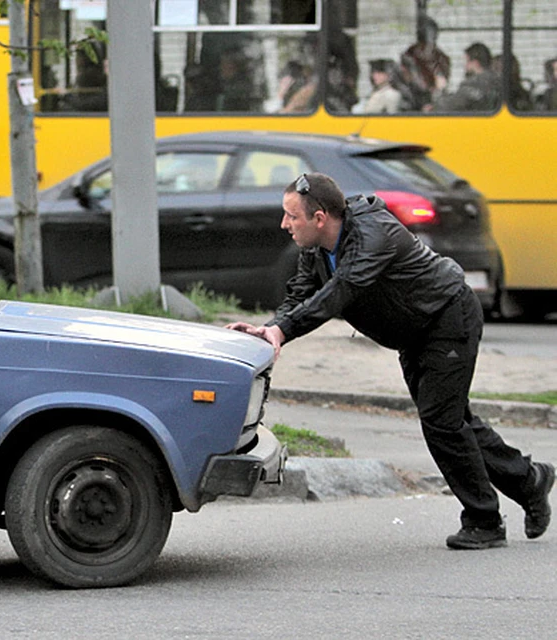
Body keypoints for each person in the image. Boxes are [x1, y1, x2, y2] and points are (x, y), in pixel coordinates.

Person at [226, 172, 554, 550]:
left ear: (320, 218)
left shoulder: (372, 234)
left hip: (447, 318)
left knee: (443, 422)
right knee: (453, 421)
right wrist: (269, 330)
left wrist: (283, 330)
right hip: (414, 332)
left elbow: (343, 290)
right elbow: (300, 294)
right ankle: (529, 480)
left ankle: (484, 520)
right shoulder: (315, 250)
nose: (285, 225)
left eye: (291, 216)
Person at [430, 42, 500, 112]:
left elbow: (447, 107)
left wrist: (440, 90)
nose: (465, 66)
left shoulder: (473, 84)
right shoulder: (497, 81)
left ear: (475, 63)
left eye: (467, 62)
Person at [402, 16, 451, 103]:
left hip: (434, 99)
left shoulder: (441, 58)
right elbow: (408, 79)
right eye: (424, 44)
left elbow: (442, 82)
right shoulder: (409, 55)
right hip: (413, 98)